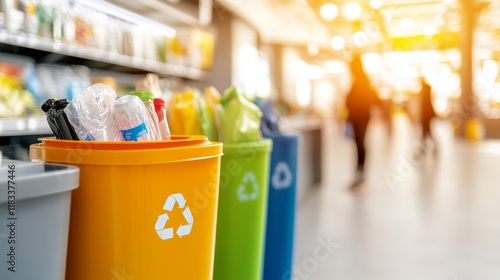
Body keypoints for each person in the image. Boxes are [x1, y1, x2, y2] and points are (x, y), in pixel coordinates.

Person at [345, 53, 382, 188]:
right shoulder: (359, 80)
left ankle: (360, 175)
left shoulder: (362, 80)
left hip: (360, 118)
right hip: (359, 118)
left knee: (360, 145)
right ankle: (359, 174)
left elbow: (368, 99)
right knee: (359, 145)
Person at [419, 77, 437, 154]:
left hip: (426, 117)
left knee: (426, 133)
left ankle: (424, 148)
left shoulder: (425, 91)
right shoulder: (426, 90)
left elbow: (426, 105)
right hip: (426, 116)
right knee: (426, 133)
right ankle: (424, 148)